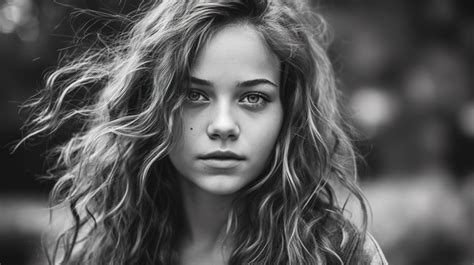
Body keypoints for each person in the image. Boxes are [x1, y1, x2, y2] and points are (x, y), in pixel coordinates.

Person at [20, 0, 388, 264]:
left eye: (253, 98)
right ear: (151, 106)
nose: (223, 125)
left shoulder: (338, 255)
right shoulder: (99, 253)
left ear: (287, 113)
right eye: (194, 94)